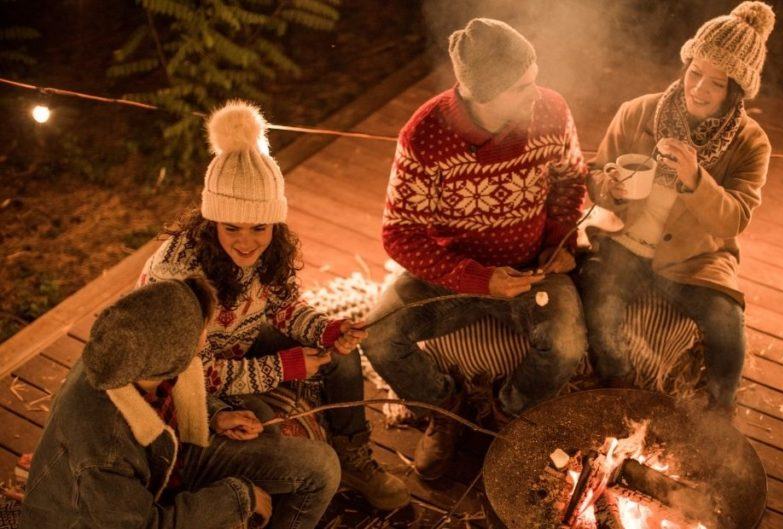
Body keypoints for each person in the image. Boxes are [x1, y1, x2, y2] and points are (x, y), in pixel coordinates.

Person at [138, 101, 408, 510]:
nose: (247, 241)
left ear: (274, 222)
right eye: (232, 228)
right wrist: (287, 366)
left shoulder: (269, 251)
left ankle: (353, 456)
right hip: (182, 386)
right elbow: (198, 376)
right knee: (265, 425)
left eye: (259, 227)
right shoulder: (181, 279)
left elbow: (282, 307)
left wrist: (326, 330)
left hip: (236, 344)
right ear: (211, 221)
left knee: (342, 358)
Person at [361, 18, 588, 480]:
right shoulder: (425, 135)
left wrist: (558, 243)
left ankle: (509, 416)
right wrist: (478, 279)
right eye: (522, 85)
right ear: (483, 94)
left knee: (564, 346)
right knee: (379, 336)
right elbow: (400, 234)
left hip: (531, 270)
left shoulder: (551, 111)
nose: (536, 92)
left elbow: (571, 179)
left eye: (535, 76)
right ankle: (444, 411)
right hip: (455, 275)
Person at [20, 278, 341, 529]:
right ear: (170, 359)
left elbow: (176, 389)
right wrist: (236, 499)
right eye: (204, 330)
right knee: (321, 471)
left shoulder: (134, 356)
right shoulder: (106, 450)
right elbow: (144, 525)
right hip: (117, 517)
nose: (208, 335)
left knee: (272, 426)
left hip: (169, 461)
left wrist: (215, 416)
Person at [580, 1, 775, 411]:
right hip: (623, 242)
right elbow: (596, 176)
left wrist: (695, 180)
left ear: (735, 91)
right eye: (695, 72)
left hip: (693, 258)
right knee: (600, 308)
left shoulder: (750, 142)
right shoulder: (637, 112)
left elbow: (733, 221)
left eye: (717, 83)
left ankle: (718, 419)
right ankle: (618, 392)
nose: (699, 89)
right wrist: (609, 187)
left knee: (726, 329)